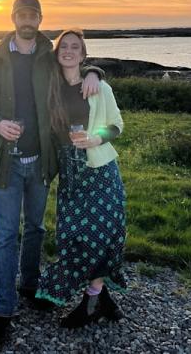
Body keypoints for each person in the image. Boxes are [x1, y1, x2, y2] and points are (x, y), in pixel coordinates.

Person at [0, 0, 105, 348]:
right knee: (5, 236)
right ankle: (2, 312)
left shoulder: (48, 57)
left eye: (34, 15)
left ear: (40, 19)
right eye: (22, 14)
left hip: (42, 162)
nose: (28, 19)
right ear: (14, 18)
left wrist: (94, 72)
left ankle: (29, 286)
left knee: (36, 229)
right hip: (6, 164)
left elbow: (75, 66)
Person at [35, 28, 128, 328]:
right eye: (65, 46)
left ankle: (91, 301)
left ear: (83, 54)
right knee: (74, 236)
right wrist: (93, 70)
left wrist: (96, 139)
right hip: (70, 171)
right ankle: (101, 297)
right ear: (57, 52)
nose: (69, 50)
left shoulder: (101, 87)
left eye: (76, 47)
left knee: (102, 235)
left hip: (99, 169)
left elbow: (116, 125)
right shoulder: (50, 86)